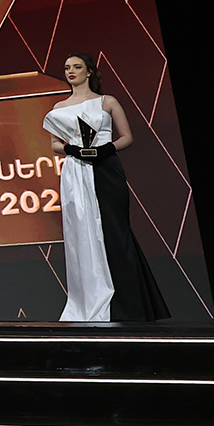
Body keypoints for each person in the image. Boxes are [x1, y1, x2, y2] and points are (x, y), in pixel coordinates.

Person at [43, 52, 169, 322]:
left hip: (106, 169)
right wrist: (71, 149)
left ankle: (127, 305)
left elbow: (127, 137)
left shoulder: (107, 101)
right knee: (81, 233)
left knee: (115, 231)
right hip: (75, 172)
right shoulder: (58, 108)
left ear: (89, 71)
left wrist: (105, 149)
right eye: (67, 67)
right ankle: (88, 302)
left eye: (77, 67)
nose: (71, 71)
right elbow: (54, 144)